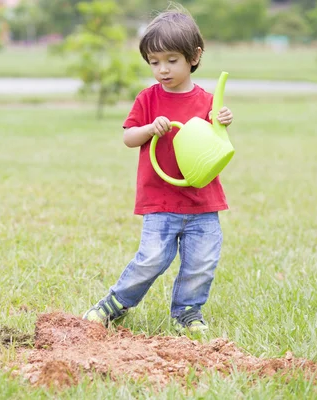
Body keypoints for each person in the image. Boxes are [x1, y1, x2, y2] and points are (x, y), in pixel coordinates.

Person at [83, 8, 234, 333]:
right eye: (154, 62)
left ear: (194, 57)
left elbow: (217, 146)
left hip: (202, 202)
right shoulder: (148, 99)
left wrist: (222, 121)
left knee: (201, 264)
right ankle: (115, 304)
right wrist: (151, 128)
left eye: (171, 60)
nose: (162, 69)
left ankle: (187, 313)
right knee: (151, 259)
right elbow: (128, 137)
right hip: (161, 200)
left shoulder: (208, 100)